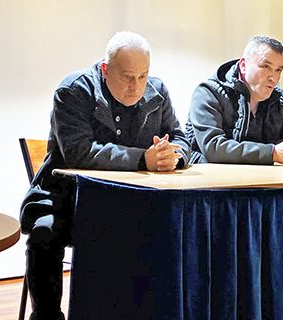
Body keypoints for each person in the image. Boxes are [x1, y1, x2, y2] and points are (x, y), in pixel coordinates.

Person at [19, 31, 190, 320]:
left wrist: (173, 156)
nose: (136, 86)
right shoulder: (74, 91)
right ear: (105, 69)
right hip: (67, 196)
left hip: (134, 199)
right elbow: (79, 152)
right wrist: (143, 159)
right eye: (128, 77)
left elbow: (180, 137)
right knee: (43, 235)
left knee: (179, 228)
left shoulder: (157, 91)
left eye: (143, 76)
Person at [185, 35, 283, 165]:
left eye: (278, 70)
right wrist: (273, 153)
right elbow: (213, 148)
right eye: (266, 66)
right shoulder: (208, 93)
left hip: (262, 175)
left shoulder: (279, 99)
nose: (274, 78)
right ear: (243, 65)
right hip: (210, 175)